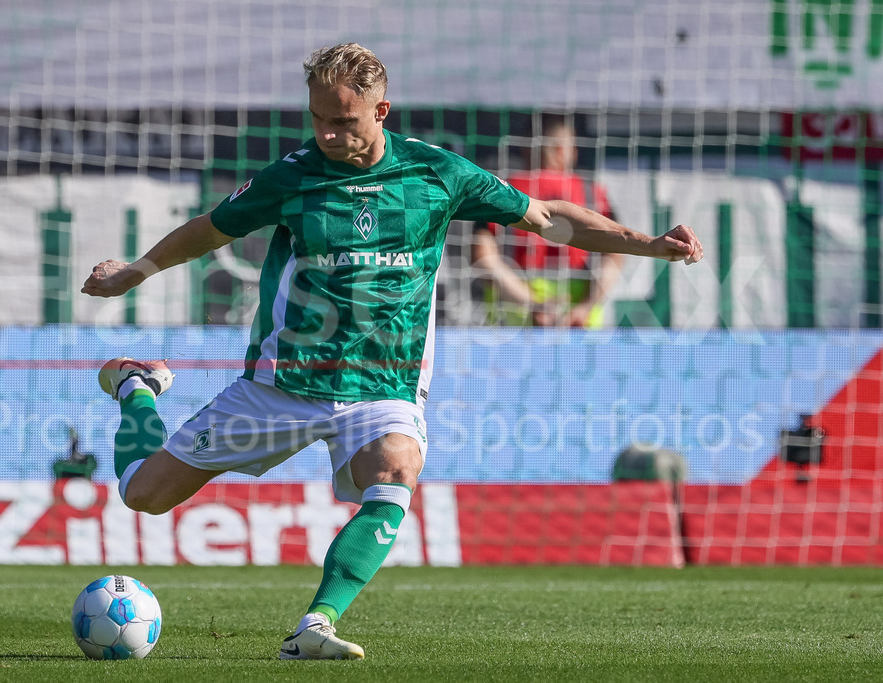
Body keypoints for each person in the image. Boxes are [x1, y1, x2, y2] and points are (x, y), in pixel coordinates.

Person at [81, 43, 704, 660]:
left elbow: (547, 219)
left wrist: (647, 244)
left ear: (382, 112)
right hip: (283, 385)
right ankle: (137, 387)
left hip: (385, 387)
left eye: (343, 120)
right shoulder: (291, 178)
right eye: (319, 118)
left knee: (397, 471)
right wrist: (136, 271)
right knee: (143, 494)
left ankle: (315, 625)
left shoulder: (437, 174)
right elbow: (212, 228)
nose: (327, 133)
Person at [472, 116, 624, 327]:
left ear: (527, 148)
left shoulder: (502, 193)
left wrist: (532, 304)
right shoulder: (593, 195)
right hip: (579, 329)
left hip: (512, 329)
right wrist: (584, 307)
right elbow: (615, 256)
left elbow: (483, 259)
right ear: (563, 150)